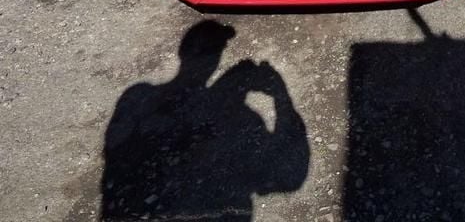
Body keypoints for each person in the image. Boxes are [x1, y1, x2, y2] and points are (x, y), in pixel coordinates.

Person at [100, 20, 309, 220]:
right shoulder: (242, 118)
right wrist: (281, 96)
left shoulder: (136, 97)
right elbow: (290, 180)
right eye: (216, 51)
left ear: (183, 54)